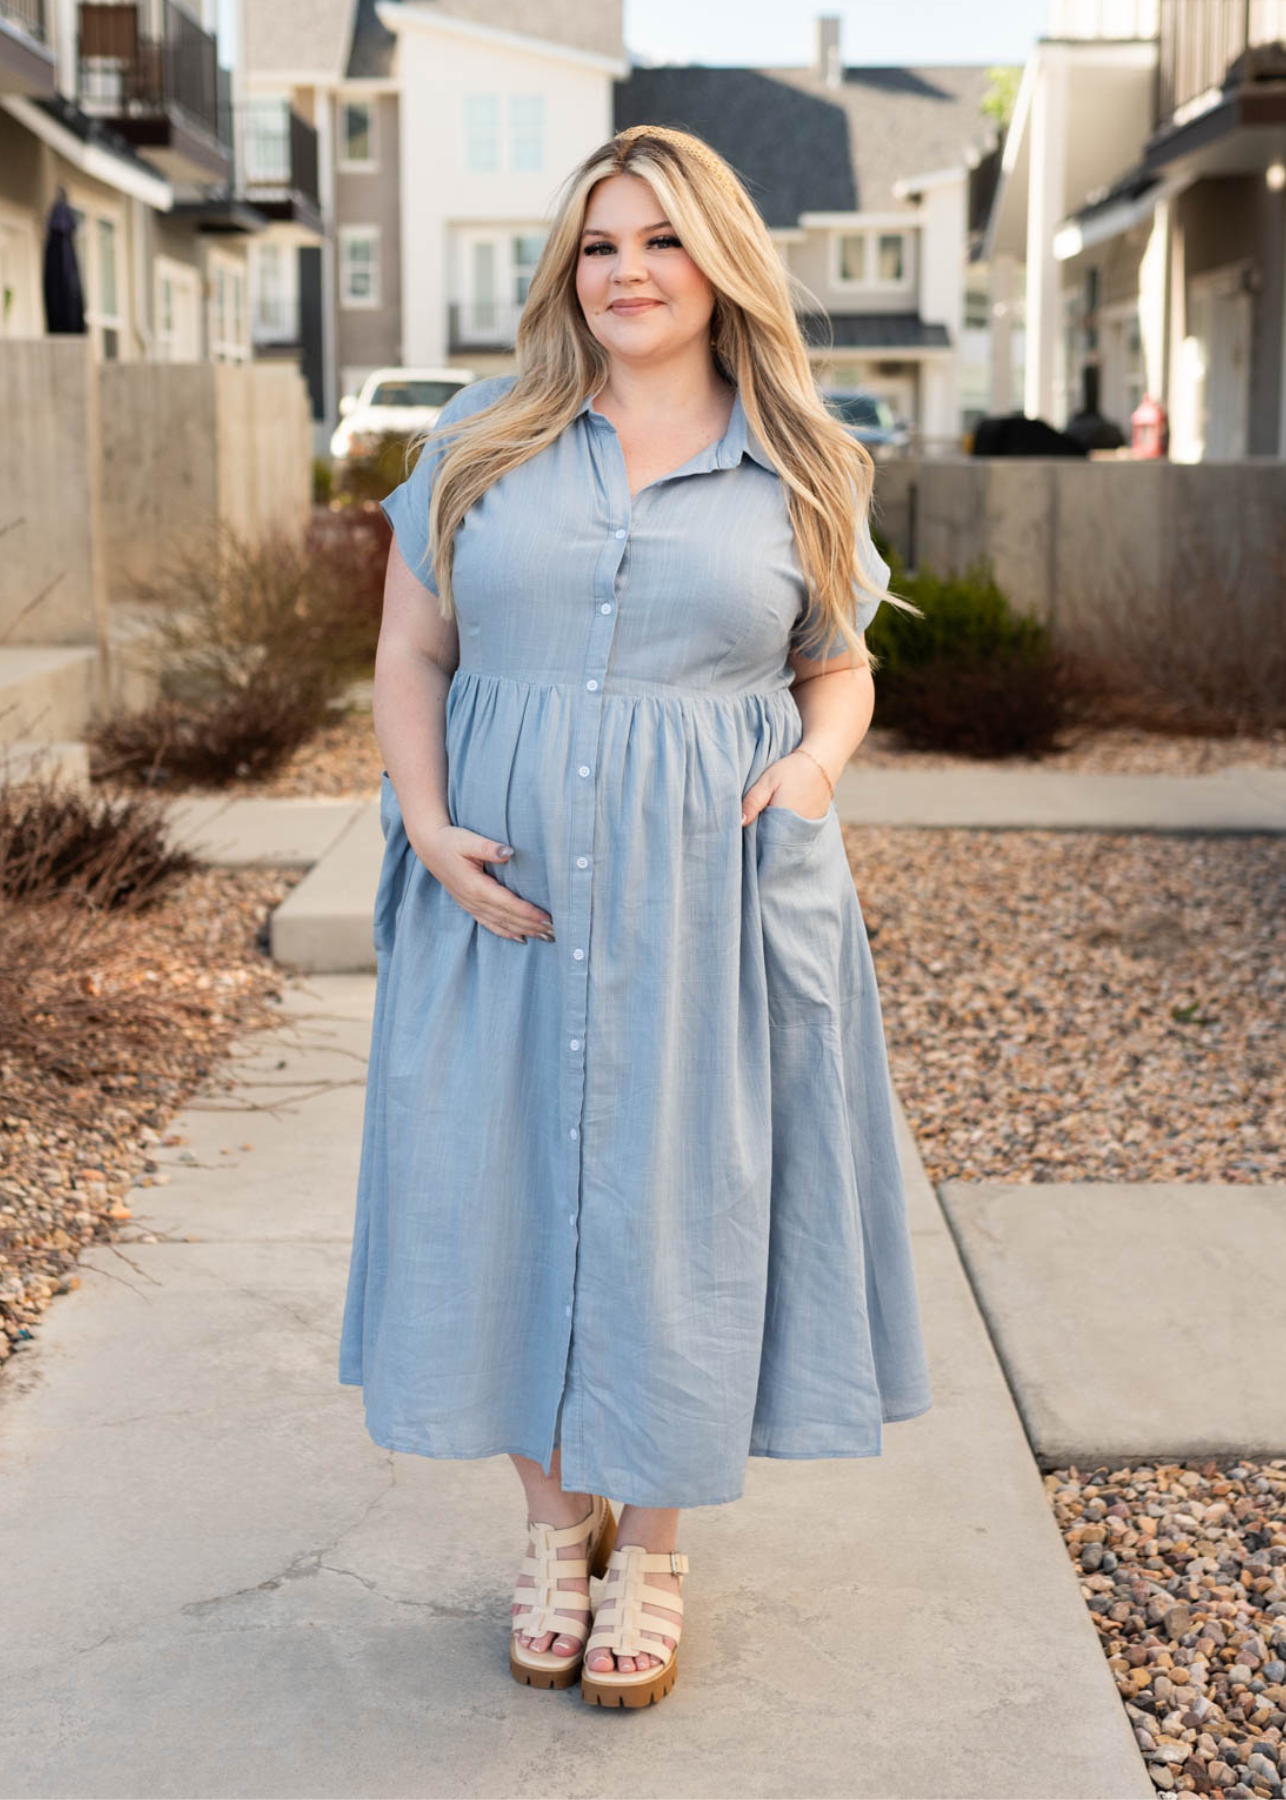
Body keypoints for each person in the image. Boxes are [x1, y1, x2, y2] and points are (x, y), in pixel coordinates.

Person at [338, 123, 933, 1711]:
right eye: (600, 245)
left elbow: (839, 662)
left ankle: (650, 1548)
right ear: (566, 269)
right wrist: (424, 824)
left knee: (686, 1208)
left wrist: (810, 768)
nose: (627, 273)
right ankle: (551, 1532)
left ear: (717, 260)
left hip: (710, 900)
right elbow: (412, 656)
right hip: (501, 892)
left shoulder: (800, 456)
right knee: (499, 1188)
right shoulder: (481, 436)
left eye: (660, 241)